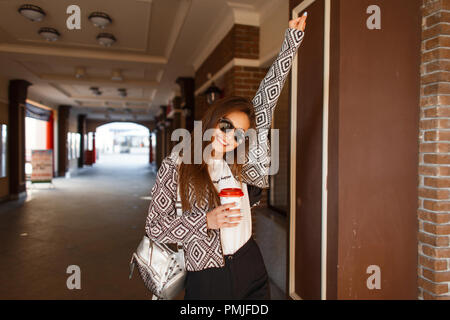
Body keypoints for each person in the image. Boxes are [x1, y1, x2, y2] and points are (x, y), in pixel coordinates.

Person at [145, 14, 307, 300]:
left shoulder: (240, 164)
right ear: (214, 119)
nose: (230, 136)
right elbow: (155, 226)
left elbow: (266, 104)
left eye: (240, 133)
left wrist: (290, 42)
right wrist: (205, 220)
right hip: (206, 274)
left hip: (249, 261)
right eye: (226, 125)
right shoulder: (178, 163)